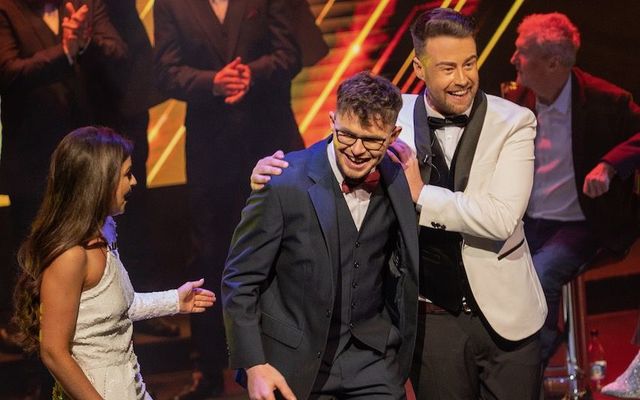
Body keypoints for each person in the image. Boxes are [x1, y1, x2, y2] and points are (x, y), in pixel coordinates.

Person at [251, 8, 547, 400]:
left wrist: (421, 195)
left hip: (507, 316)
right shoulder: (393, 113)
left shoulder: (515, 121)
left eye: (470, 64)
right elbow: (336, 153)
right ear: (419, 68)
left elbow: (501, 219)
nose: (462, 79)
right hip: (431, 316)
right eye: (447, 68)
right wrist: (272, 173)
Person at [222, 71, 419, 400]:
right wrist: (254, 364)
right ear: (331, 121)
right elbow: (240, 280)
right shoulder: (284, 182)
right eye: (347, 135)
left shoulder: (398, 175)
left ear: (392, 135)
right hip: (296, 361)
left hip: (371, 358)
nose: (356, 150)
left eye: (371, 140)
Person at [153, 0, 304, 397]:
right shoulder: (171, 5)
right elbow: (166, 72)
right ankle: (209, 369)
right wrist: (213, 82)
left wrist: (249, 75)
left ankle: (289, 356)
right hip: (209, 153)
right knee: (209, 257)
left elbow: (290, 54)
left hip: (269, 140)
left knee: (284, 248)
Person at [11, 126, 216, 400]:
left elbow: (119, 306)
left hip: (130, 386)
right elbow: (53, 351)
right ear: (99, 182)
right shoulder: (71, 256)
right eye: (126, 174)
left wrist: (176, 301)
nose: (134, 182)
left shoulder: (104, 232)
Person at [505, 12, 640, 363]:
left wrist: (611, 165)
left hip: (580, 225)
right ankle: (501, 355)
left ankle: (532, 363)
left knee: (541, 274)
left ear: (552, 63)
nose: (513, 59)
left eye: (521, 52)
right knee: (489, 267)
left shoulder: (605, 101)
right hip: (530, 222)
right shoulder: (518, 100)